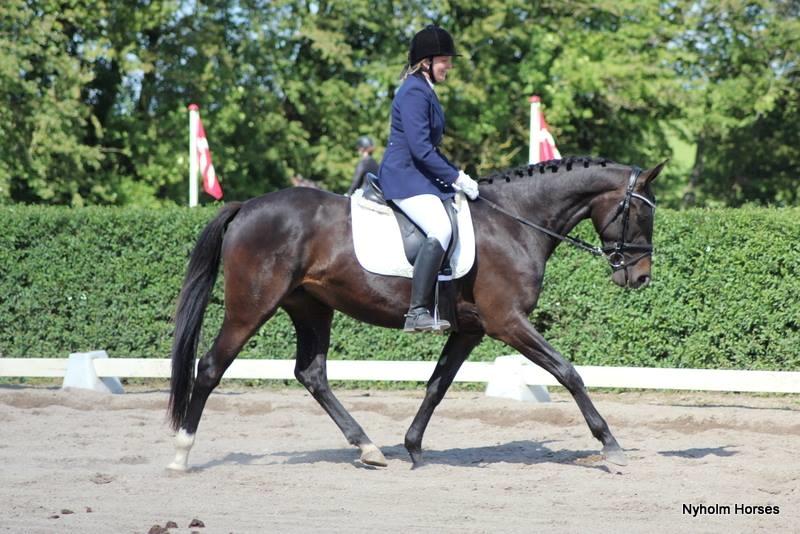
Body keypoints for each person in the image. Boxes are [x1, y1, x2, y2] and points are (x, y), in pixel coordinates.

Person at [377, 24, 480, 333]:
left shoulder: (424, 90)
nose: (449, 66)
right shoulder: (413, 92)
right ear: (426, 62)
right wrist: (456, 178)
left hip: (418, 175)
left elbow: (430, 148)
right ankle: (417, 311)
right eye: (444, 60)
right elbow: (421, 150)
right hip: (404, 177)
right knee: (440, 227)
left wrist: (457, 176)